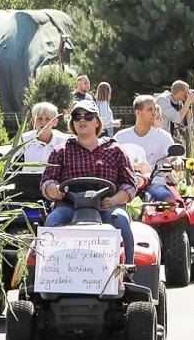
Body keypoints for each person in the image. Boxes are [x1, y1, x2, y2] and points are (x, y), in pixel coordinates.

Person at [40, 101, 139, 263]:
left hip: (106, 207)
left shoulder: (115, 149)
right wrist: (54, 190)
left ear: (97, 122)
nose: (82, 120)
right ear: (72, 122)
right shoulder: (61, 151)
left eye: (88, 116)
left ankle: (128, 269)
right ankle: (48, 274)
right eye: (77, 116)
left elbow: (129, 186)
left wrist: (113, 200)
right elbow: (47, 182)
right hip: (70, 207)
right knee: (52, 220)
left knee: (121, 219)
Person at [114, 94, 176, 201]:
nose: (154, 113)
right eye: (150, 109)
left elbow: (173, 156)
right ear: (138, 113)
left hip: (155, 183)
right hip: (126, 184)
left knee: (168, 200)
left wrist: (177, 161)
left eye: (154, 108)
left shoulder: (163, 136)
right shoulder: (121, 136)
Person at [18, 101, 68, 165]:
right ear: (33, 122)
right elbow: (9, 158)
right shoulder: (24, 139)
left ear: (55, 122)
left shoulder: (64, 141)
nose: (43, 122)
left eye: (47, 119)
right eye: (40, 118)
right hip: (29, 175)